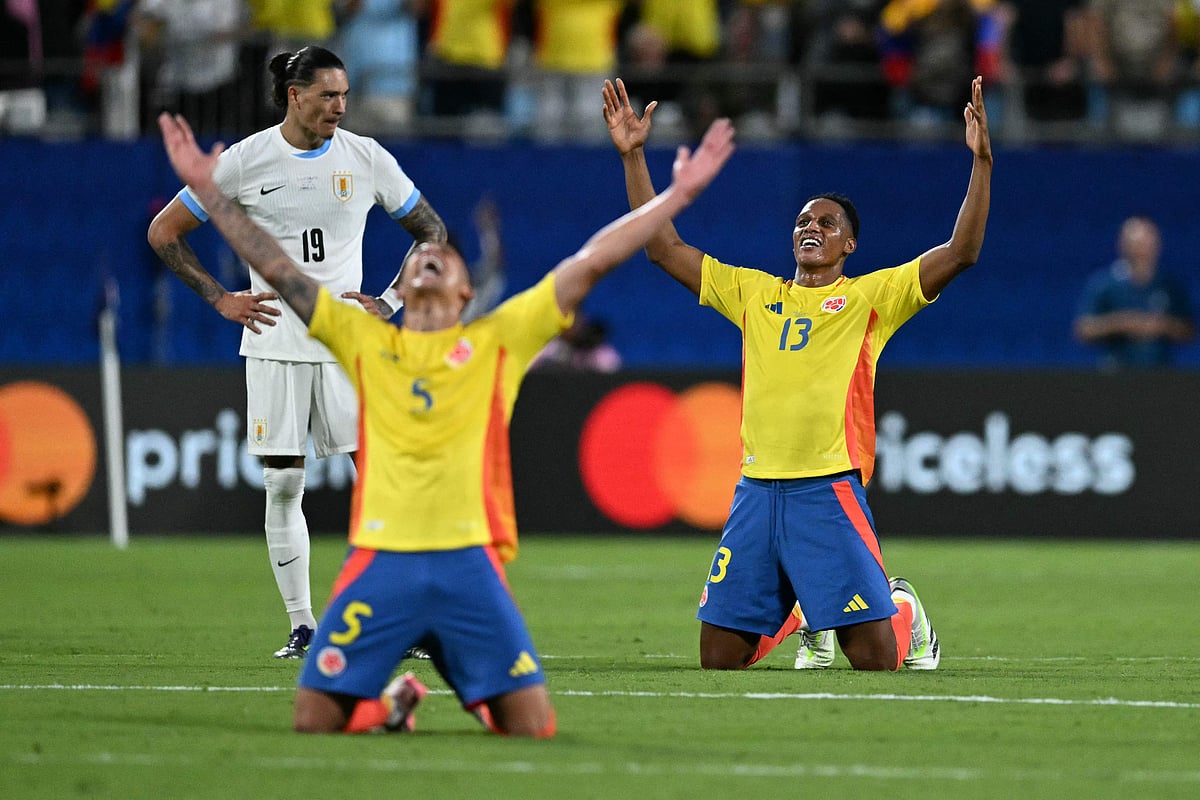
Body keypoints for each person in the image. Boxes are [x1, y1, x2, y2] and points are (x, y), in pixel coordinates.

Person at [156, 103, 735, 734]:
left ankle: (470, 684)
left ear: (466, 292)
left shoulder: (500, 339)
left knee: (531, 727)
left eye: (447, 260)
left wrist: (676, 195)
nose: (432, 260)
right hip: (381, 562)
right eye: (423, 258)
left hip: (469, 568)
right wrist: (210, 194)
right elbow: (278, 269)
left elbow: (593, 260)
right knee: (314, 718)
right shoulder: (363, 340)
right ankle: (393, 703)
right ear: (404, 280)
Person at [602, 74, 993, 671]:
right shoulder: (754, 294)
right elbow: (663, 249)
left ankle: (904, 613)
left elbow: (961, 252)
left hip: (828, 489)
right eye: (804, 222)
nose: (812, 228)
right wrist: (633, 157)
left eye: (828, 223)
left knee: (874, 660)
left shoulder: (872, 299)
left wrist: (982, 163)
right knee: (718, 659)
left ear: (851, 245)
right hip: (755, 490)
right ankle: (804, 612)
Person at [146, 46, 448, 660]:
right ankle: (303, 624)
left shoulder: (366, 158)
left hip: (349, 346)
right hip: (276, 345)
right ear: (295, 95)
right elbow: (163, 232)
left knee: (381, 485)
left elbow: (433, 232)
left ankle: (401, 621)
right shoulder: (245, 160)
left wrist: (391, 301)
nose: (340, 106)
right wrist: (220, 298)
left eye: (344, 95)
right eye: (328, 95)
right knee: (284, 484)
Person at [1073, 216, 1195, 370]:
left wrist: (1161, 326)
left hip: (1160, 374)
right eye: (1136, 243)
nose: (1141, 250)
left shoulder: (1170, 285)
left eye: (1146, 243)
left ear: (1157, 245)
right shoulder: (1104, 284)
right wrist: (1122, 323)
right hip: (1116, 374)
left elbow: (1189, 331)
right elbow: (1083, 329)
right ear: (1122, 244)